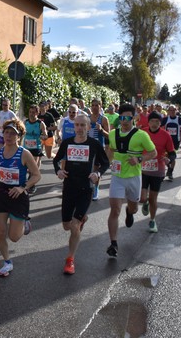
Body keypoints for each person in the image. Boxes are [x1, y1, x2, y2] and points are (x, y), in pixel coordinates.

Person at [53, 114, 109, 275]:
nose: (79, 128)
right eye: (77, 125)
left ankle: (70, 259)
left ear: (88, 127)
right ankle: (82, 218)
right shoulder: (67, 143)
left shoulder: (94, 144)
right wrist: (59, 171)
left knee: (75, 226)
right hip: (69, 187)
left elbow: (105, 163)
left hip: (86, 188)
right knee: (66, 226)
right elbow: (56, 160)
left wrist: (97, 174)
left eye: (83, 125)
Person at [0, 119, 41, 277]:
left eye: (13, 133)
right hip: (2, 193)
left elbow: (37, 175)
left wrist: (22, 187)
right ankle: (7, 262)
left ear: (19, 136)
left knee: (14, 237)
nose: (9, 136)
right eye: (6, 132)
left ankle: (24, 222)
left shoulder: (24, 154)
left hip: (18, 194)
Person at [105, 103, 157, 257]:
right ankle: (113, 244)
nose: (125, 120)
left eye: (128, 117)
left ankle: (130, 212)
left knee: (134, 207)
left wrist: (139, 158)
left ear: (134, 117)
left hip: (134, 177)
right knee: (114, 210)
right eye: (122, 118)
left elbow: (153, 152)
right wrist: (107, 164)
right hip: (117, 177)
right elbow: (111, 150)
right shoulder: (113, 134)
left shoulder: (141, 135)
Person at [140, 112, 176, 233]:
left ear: (160, 123)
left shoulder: (166, 135)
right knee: (142, 197)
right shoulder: (143, 133)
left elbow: (172, 152)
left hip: (158, 171)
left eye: (157, 122)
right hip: (143, 169)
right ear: (148, 122)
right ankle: (145, 203)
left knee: (153, 199)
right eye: (152, 121)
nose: (154, 124)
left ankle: (152, 220)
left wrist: (169, 159)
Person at [87, 99, 110, 201]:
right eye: (93, 105)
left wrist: (101, 130)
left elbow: (109, 136)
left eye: (97, 105)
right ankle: (88, 188)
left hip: (98, 148)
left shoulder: (103, 119)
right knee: (87, 168)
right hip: (87, 147)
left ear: (100, 106)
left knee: (96, 169)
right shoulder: (87, 118)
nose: (95, 107)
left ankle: (96, 188)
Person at [23, 104, 47, 194]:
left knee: (33, 168)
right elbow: (21, 134)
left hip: (36, 148)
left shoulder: (40, 124)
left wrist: (42, 136)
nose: (31, 114)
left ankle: (31, 185)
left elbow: (45, 135)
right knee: (24, 167)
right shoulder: (25, 122)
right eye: (30, 112)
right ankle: (25, 184)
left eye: (33, 112)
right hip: (26, 148)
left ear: (37, 113)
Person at [161, 105, 181, 181]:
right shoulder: (165, 119)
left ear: (176, 110)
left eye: (173, 110)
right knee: (166, 156)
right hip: (166, 141)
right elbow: (160, 127)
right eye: (170, 110)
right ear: (168, 111)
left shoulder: (179, 119)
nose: (172, 112)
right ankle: (169, 169)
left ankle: (170, 172)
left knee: (173, 157)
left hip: (175, 141)